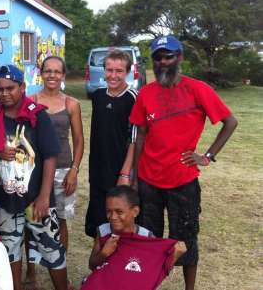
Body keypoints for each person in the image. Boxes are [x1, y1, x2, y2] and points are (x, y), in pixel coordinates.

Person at [130, 35, 238, 290]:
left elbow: (230, 122)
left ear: (180, 58)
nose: (163, 62)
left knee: (186, 237)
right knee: (149, 238)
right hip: (148, 180)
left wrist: (207, 156)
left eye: (169, 56)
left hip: (183, 181)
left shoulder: (197, 89)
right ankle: (149, 283)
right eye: (158, 57)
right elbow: (141, 136)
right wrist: (134, 177)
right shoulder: (145, 93)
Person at [0, 65, 71, 290]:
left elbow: (51, 156)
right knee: (9, 250)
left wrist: (45, 196)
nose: (5, 93)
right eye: (0, 89)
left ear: (22, 87)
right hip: (6, 198)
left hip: (36, 199)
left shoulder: (37, 115)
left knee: (51, 247)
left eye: (10, 88)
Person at [27, 56, 83, 286]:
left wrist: (74, 171)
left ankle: (60, 266)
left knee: (60, 221)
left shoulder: (71, 104)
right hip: (35, 171)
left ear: (63, 75)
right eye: (48, 71)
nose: (52, 75)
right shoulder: (30, 101)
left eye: (57, 71)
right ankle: (31, 272)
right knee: (32, 221)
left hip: (63, 171)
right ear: (41, 73)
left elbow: (79, 140)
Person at [83, 186, 186, 290]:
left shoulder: (147, 237)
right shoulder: (103, 231)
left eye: (119, 212)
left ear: (135, 212)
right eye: (109, 211)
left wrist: (174, 257)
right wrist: (103, 254)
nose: (113, 217)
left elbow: (155, 273)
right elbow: (92, 265)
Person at [85, 49, 137, 237]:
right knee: (99, 220)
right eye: (109, 70)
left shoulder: (132, 98)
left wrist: (125, 173)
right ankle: (98, 263)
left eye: (119, 71)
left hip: (120, 171)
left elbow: (135, 139)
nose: (113, 75)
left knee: (119, 221)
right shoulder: (98, 96)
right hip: (98, 170)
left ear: (128, 72)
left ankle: (118, 264)